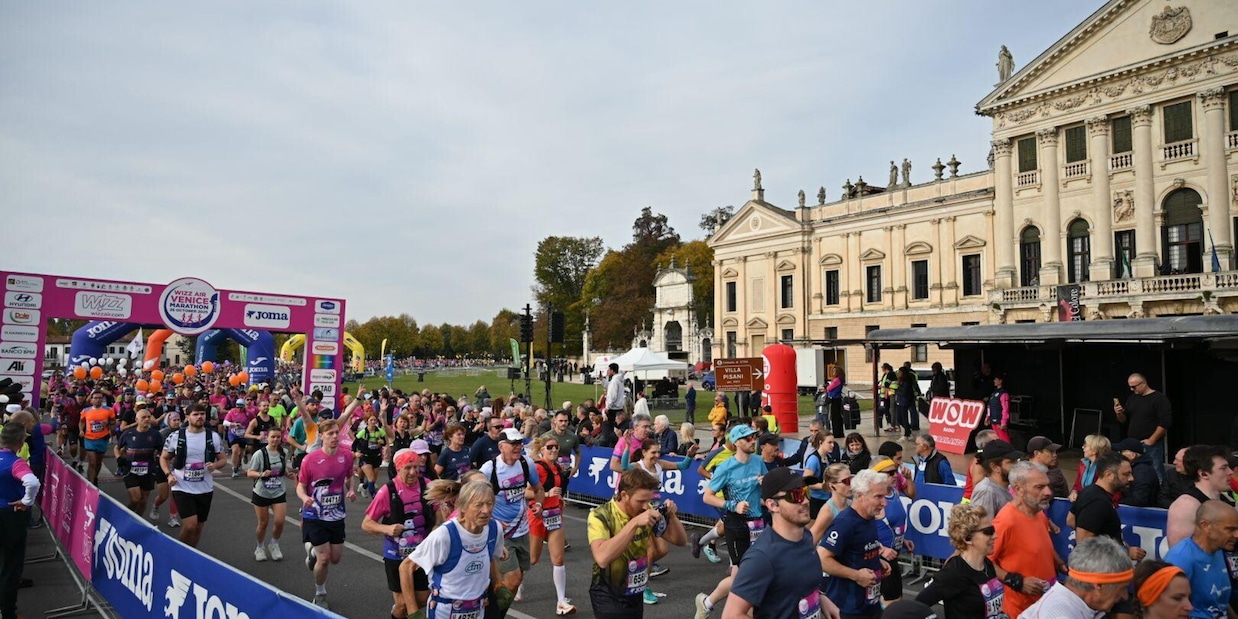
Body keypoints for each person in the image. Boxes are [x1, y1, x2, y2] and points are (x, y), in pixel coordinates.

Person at [723, 466, 842, 619]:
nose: (805, 501)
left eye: (806, 493)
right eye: (796, 495)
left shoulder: (805, 537)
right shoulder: (761, 558)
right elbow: (731, 615)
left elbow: (798, 584)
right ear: (772, 505)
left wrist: (821, 599)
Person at [588, 468, 686, 619]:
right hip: (608, 593)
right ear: (624, 495)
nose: (646, 506)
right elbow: (602, 558)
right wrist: (634, 523)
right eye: (641, 501)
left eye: (649, 500)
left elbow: (680, 541)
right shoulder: (600, 515)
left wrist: (672, 517)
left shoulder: (645, 510)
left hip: (635, 591)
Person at [401, 480, 503, 619]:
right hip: (444, 611)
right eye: (479, 505)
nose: (485, 510)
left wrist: (499, 585)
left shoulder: (494, 529)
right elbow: (406, 567)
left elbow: (488, 558)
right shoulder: (445, 535)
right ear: (463, 506)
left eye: (489, 504)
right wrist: (413, 612)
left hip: (478, 610)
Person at [695, 425, 765, 619]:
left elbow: (763, 494)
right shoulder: (726, 467)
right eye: (748, 438)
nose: (753, 441)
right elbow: (707, 497)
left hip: (757, 523)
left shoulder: (758, 461)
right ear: (736, 442)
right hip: (736, 524)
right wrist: (732, 505)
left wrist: (765, 485)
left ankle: (707, 603)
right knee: (745, 577)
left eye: (753, 437)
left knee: (746, 575)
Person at [1067, 452, 1147, 618]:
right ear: (1109, 475)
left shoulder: (1090, 492)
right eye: (1126, 474)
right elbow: (1085, 544)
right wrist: (1125, 552)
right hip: (1102, 580)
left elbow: (1070, 520)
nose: (1131, 478)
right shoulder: (1098, 502)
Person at [362, 447, 436, 619]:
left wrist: (436, 527)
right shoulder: (388, 491)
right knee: (403, 605)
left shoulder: (427, 485)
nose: (412, 472)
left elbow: (439, 513)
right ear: (398, 468)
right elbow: (366, 524)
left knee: (423, 598)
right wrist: (387, 529)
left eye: (415, 467)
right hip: (395, 554)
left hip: (421, 553)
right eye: (407, 468)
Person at [479, 428, 543, 617]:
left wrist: (539, 504)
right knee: (513, 580)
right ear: (501, 446)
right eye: (513, 444)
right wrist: (492, 520)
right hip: (500, 533)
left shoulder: (526, 463)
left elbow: (538, 489)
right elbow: (472, 500)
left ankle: (494, 610)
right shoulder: (489, 469)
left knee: (516, 579)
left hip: (522, 530)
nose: (518, 447)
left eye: (519, 443)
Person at [989, 461, 1066, 617]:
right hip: (1020, 610)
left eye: (1047, 486)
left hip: (1044, 604)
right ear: (1019, 489)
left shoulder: (1039, 514)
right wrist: (1017, 581)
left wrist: (1060, 563)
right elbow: (984, 561)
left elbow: (1042, 547)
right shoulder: (1006, 521)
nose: (1048, 492)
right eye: (1039, 487)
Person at [296, 419, 357, 609]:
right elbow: (300, 486)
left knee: (335, 558)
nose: (334, 436)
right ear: (321, 436)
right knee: (324, 559)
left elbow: (349, 476)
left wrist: (351, 489)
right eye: (330, 433)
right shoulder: (310, 459)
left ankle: (313, 551)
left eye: (336, 433)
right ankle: (320, 593)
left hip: (336, 514)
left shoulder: (346, 456)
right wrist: (304, 497)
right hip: (314, 515)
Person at [818, 469, 889, 619]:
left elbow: (858, 550)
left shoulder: (869, 516)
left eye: (885, 496)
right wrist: (856, 575)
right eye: (878, 497)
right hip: (848, 608)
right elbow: (822, 559)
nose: (884, 503)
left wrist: (876, 561)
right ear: (860, 496)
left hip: (870, 604)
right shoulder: (845, 523)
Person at [917, 502, 1004, 618]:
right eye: (988, 532)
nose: (995, 535)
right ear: (967, 538)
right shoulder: (954, 572)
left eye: (993, 529)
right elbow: (917, 606)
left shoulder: (987, 564)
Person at [159, 404, 226, 549]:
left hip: (205, 488)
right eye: (196, 414)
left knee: (198, 527)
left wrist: (215, 466)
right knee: (190, 525)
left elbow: (222, 459)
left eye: (202, 414)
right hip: (182, 487)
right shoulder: (176, 436)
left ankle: (192, 553)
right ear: (188, 417)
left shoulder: (213, 436)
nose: (200, 417)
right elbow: (163, 458)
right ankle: (180, 551)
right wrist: (168, 475)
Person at [1020, 536, 1134, 618]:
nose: (1124, 596)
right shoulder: (1061, 614)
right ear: (1098, 585)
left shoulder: (1079, 605)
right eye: (1122, 588)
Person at [526, 436, 576, 615]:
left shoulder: (557, 467)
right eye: (550, 447)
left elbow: (556, 490)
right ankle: (515, 580)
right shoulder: (537, 467)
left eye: (556, 446)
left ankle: (561, 601)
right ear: (542, 450)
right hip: (537, 516)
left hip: (555, 515)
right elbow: (527, 492)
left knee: (559, 559)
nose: (554, 450)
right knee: (532, 559)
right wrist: (546, 494)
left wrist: (558, 499)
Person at [1165, 500, 1238, 619]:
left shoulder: (1218, 550)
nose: (1236, 535)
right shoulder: (1181, 559)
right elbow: (1164, 607)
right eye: (1230, 529)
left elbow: (1218, 602)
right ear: (1206, 526)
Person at [0, 421, 39, 619]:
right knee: (10, 566)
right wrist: (26, 501)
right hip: (10, 516)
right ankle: (7, 613)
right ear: (21, 441)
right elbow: (32, 482)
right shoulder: (16, 462)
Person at [1166, 444, 1233, 548]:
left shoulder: (1226, 499)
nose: (1230, 472)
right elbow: (1179, 553)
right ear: (1204, 474)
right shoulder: (1186, 505)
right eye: (1223, 468)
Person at [1114, 372, 1172, 483]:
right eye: (1130, 386)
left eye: (1134, 386)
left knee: (1156, 471)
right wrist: (1119, 413)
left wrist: (1152, 440)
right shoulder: (1132, 398)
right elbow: (1123, 420)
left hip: (1151, 444)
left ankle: (1160, 495)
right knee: (1133, 471)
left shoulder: (1159, 399)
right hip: (1133, 443)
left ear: (1144, 383)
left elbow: (1165, 422)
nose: (1132, 389)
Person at [872, 458, 915, 606]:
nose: (895, 475)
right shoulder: (874, 500)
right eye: (890, 473)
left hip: (893, 557)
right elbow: (859, 533)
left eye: (895, 471)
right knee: (890, 604)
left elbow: (893, 524)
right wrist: (881, 550)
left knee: (896, 601)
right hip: (880, 560)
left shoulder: (894, 492)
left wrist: (902, 540)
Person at [246, 426, 288, 562]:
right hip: (261, 492)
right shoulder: (260, 454)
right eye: (272, 437)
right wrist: (261, 474)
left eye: (278, 437)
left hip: (278, 491)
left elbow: (283, 468)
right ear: (267, 438)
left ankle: (274, 544)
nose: (275, 439)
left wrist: (288, 474)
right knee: (263, 523)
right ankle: (259, 547)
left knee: (280, 521)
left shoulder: (284, 452)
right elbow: (249, 472)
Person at [115, 408, 163, 516]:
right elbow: (117, 448)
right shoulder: (128, 434)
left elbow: (162, 450)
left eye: (148, 417)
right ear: (137, 419)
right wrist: (119, 458)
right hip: (130, 470)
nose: (146, 419)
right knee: (135, 499)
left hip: (148, 470)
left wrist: (161, 459)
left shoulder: (155, 435)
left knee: (143, 500)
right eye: (143, 417)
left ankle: (138, 521)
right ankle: (126, 516)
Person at [969, 439, 1023, 522]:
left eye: (1016, 461)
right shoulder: (987, 492)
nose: (1016, 466)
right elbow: (982, 529)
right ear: (995, 467)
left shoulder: (1004, 487)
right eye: (1011, 462)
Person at [808, 463, 853, 544]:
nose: (851, 484)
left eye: (851, 479)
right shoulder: (827, 511)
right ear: (832, 486)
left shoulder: (851, 505)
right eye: (846, 481)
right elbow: (812, 539)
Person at [80, 390, 116, 485]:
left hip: (102, 438)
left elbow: (113, 423)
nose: (98, 400)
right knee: (92, 462)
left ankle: (95, 477)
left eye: (100, 398)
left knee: (98, 462)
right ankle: (90, 483)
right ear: (91, 400)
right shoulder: (86, 411)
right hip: (89, 439)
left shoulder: (109, 410)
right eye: (95, 398)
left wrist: (107, 424)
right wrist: (81, 430)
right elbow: (82, 422)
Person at [1113, 438, 1161, 508]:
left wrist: (1116, 502)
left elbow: (1139, 500)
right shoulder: (1138, 468)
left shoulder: (1142, 471)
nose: (1118, 454)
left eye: (1121, 452)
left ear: (1132, 455)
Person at [540, 410, 581, 485]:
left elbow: (578, 453)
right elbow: (535, 452)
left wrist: (575, 468)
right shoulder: (546, 436)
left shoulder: (572, 436)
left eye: (565, 421)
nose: (563, 423)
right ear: (555, 421)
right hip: (549, 472)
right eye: (561, 421)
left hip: (564, 472)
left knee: (560, 494)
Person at [1070, 434, 1113, 502]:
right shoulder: (1083, 464)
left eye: (1086, 445)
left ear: (1094, 450)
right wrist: (1074, 492)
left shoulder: (1106, 467)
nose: (1082, 447)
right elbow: (1077, 485)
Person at [895, 367, 921, 440]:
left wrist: (896, 391)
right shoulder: (901, 381)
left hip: (904, 401)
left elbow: (904, 392)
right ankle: (908, 429)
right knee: (899, 418)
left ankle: (907, 433)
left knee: (904, 417)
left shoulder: (907, 382)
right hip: (900, 401)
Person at [986, 374, 1011, 443]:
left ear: (1000, 381)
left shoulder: (1004, 393)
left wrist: (1003, 422)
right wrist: (987, 417)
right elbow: (989, 406)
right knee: (997, 439)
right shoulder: (993, 393)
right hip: (993, 420)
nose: (994, 381)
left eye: (996, 379)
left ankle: (1008, 452)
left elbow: (1005, 409)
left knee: (1004, 440)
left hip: (1000, 421)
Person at [826, 367, 846, 439]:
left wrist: (828, 386)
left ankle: (836, 433)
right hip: (837, 398)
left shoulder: (837, 380)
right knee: (837, 416)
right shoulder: (840, 379)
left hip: (835, 399)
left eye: (834, 371)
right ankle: (839, 432)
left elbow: (829, 388)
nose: (833, 372)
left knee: (835, 417)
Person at [878, 364, 899, 433]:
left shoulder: (891, 374)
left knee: (892, 410)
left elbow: (886, 384)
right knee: (888, 410)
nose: (882, 370)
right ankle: (891, 425)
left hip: (891, 393)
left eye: (883, 368)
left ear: (886, 368)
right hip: (886, 394)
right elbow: (883, 383)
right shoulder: (885, 375)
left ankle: (894, 426)